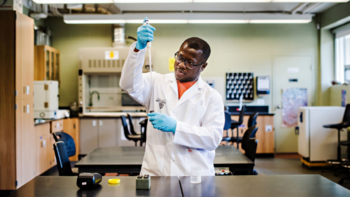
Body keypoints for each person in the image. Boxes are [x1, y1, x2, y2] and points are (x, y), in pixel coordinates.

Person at [120, 17, 224, 176]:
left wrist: (177, 127)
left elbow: (212, 139)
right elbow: (128, 84)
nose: (181, 65)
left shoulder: (211, 97)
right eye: (180, 57)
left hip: (194, 176)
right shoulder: (157, 82)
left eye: (190, 62)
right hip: (156, 172)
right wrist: (138, 49)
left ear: (203, 66)